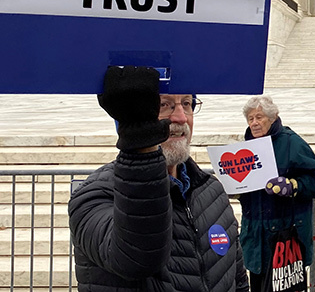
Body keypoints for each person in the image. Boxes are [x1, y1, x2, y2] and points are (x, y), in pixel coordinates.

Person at [68, 66, 248, 292]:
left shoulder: (212, 190)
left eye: (187, 103)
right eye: (164, 105)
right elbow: (135, 259)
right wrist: (141, 146)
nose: (181, 117)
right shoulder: (95, 196)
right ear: (134, 116)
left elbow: (238, 280)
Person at [239, 95, 315, 291]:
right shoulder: (247, 146)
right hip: (255, 241)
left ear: (273, 118)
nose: (254, 123)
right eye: (250, 118)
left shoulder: (291, 142)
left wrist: (294, 185)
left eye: (259, 117)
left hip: (285, 241)